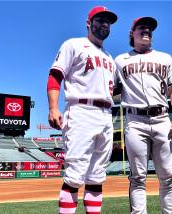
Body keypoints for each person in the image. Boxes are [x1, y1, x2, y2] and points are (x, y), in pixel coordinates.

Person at [47, 6, 117, 214]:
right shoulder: (74, 44)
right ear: (88, 22)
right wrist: (53, 108)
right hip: (81, 111)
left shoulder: (109, 57)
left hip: (105, 115)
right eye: (100, 19)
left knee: (97, 175)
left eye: (108, 21)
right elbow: (55, 75)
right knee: (75, 175)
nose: (105, 23)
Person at [115, 17, 172, 214]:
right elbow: (109, 88)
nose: (146, 30)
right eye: (142, 27)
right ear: (132, 32)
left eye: (150, 28)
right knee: (137, 177)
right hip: (135, 121)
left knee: (168, 176)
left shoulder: (165, 58)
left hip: (162, 119)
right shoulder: (120, 60)